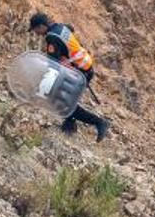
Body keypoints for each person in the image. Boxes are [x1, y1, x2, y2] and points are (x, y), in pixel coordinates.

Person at [29, 12, 109, 142]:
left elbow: (53, 66)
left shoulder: (52, 38)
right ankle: (69, 124)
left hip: (79, 72)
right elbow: (70, 29)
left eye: (36, 30)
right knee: (63, 98)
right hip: (84, 67)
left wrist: (41, 84)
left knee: (63, 102)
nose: (36, 33)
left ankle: (99, 122)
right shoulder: (60, 27)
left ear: (42, 26)